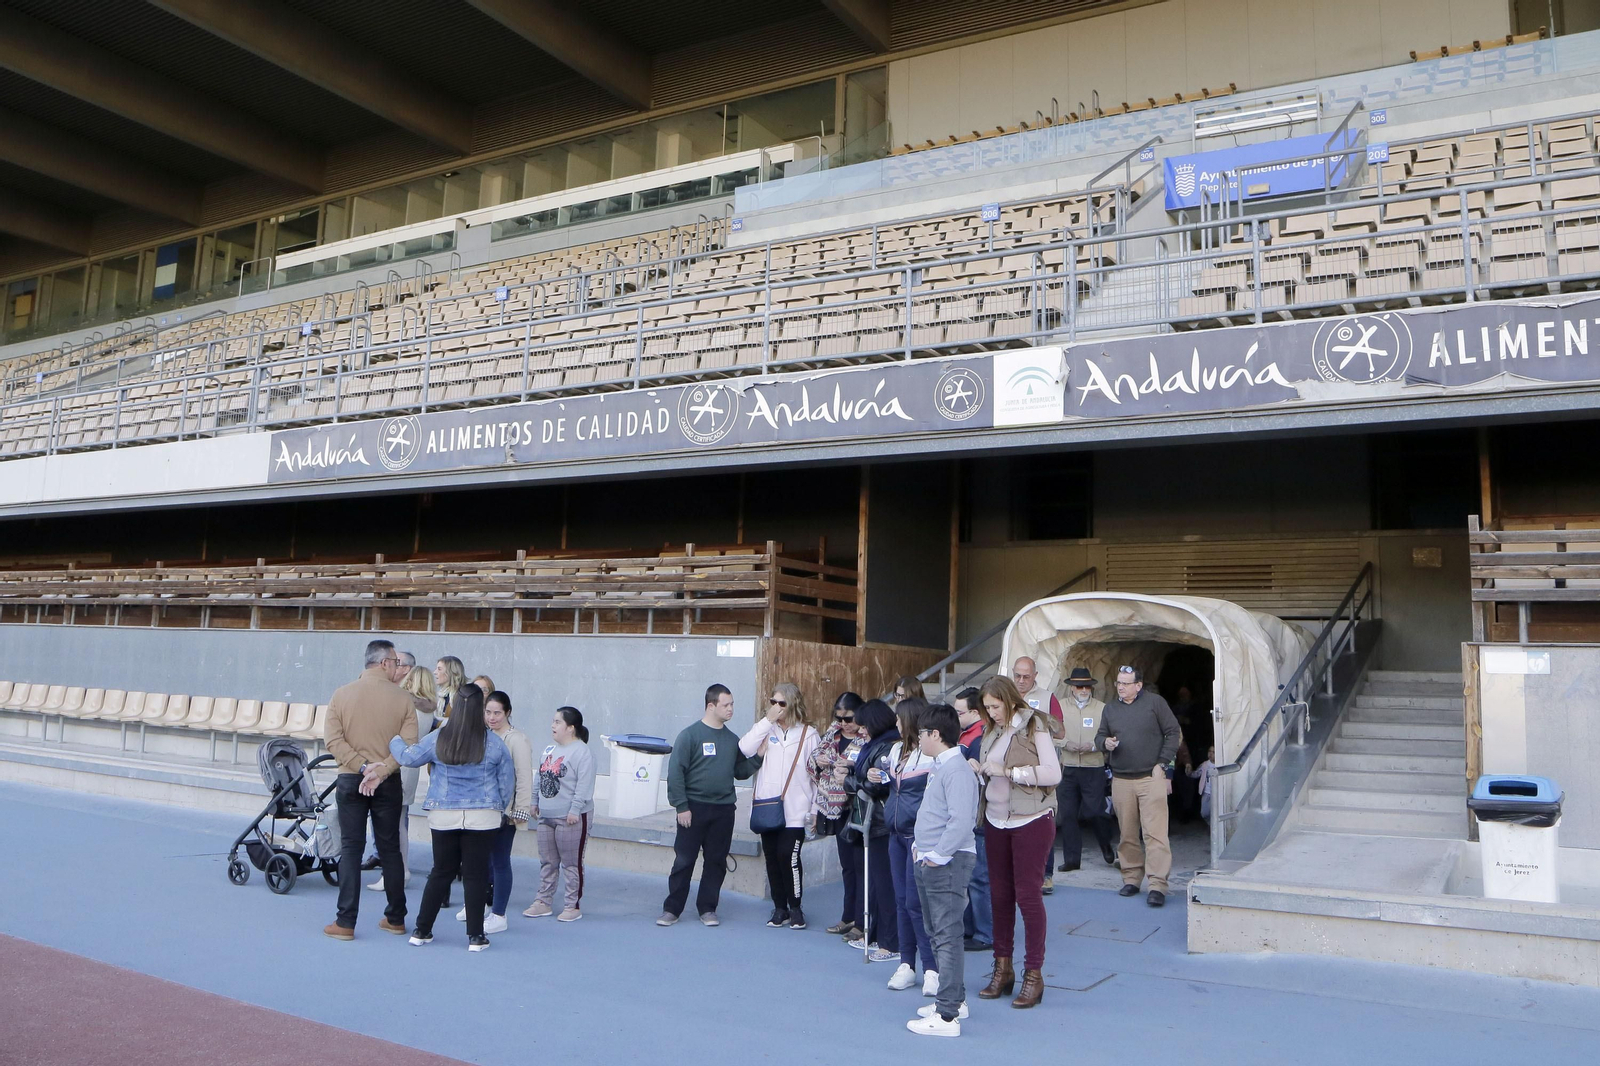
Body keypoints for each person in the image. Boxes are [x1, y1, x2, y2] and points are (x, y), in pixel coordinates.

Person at [390, 685, 515, 951]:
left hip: (443, 814)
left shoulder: (439, 738)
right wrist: (500, 808)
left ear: (455, 707)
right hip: (484, 816)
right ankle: (475, 936)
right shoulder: (494, 743)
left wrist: (394, 738)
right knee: (476, 874)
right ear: (481, 710)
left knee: (440, 872)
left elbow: (407, 758)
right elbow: (507, 783)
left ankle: (422, 930)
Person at [973, 674, 1061, 1009]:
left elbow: (1053, 774)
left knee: (1028, 895)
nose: (992, 712)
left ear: (1009, 699)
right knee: (999, 895)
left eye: (995, 705)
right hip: (996, 818)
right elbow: (992, 768)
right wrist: (979, 768)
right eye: (987, 707)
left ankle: (1034, 974)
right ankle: (1003, 968)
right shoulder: (991, 729)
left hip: (1031, 819)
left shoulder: (1034, 725)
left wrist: (1010, 773)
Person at [322, 639, 418, 942]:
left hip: (352, 777)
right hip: (387, 781)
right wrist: (381, 769)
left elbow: (333, 742)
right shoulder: (404, 699)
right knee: (389, 848)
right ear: (385, 663)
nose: (398, 668)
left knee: (351, 848)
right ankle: (395, 917)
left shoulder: (341, 694)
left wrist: (363, 767)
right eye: (396, 662)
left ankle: (345, 921)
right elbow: (410, 746)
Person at [658, 684, 762, 927]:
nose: (731, 709)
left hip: (724, 810)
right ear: (710, 706)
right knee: (684, 860)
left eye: (732, 704)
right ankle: (672, 909)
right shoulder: (690, 735)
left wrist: (758, 757)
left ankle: (707, 908)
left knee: (716, 861)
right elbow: (676, 773)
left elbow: (740, 771)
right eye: (726, 705)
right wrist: (681, 806)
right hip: (693, 808)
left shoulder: (732, 740)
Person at [906, 703, 980, 1039]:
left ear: (935, 734)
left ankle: (947, 1014)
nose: (918, 738)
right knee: (939, 930)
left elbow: (962, 821)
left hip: (947, 863)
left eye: (922, 733)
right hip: (933, 859)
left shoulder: (956, 770)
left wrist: (937, 854)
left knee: (947, 934)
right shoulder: (944, 767)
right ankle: (955, 1001)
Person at [1096, 665, 1182, 908]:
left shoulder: (1155, 703)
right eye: (1118, 683)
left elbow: (1173, 732)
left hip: (1150, 777)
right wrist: (1106, 743)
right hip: (1122, 778)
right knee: (1127, 834)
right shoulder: (1111, 708)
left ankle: (1157, 885)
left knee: (1155, 835)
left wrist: (1162, 763)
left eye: (1126, 683)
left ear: (1138, 685)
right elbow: (1099, 736)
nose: (1121, 687)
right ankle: (1132, 878)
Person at [740, 681, 820, 930]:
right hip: (768, 807)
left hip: (797, 810)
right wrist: (766, 720)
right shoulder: (766, 730)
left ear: (793, 704)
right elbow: (744, 748)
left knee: (789, 855)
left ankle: (796, 907)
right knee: (773, 859)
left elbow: (817, 776)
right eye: (773, 702)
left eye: (781, 703)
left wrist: (815, 809)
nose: (776, 707)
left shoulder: (809, 735)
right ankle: (780, 908)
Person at [462, 691, 531, 935]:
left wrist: (520, 810)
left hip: (506, 811)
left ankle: (499, 913)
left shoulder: (516, 739)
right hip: (482, 808)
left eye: (497, 713)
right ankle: (477, 905)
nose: (492, 717)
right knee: (479, 860)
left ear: (508, 713)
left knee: (500, 861)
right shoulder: (482, 735)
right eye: (488, 712)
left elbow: (523, 776)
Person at [884, 697, 939, 995]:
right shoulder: (896, 751)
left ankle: (932, 968)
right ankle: (907, 964)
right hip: (895, 834)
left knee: (917, 904)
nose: (895, 722)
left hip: (918, 837)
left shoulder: (930, 756)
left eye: (898, 718)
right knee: (901, 902)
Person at [366, 664, 437, 892]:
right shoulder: (429, 709)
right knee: (399, 822)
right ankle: (400, 869)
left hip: (399, 764)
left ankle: (395, 871)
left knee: (392, 825)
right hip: (412, 768)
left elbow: (392, 735)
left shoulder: (409, 707)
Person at [526, 706, 596, 921]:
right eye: (553, 721)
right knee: (547, 861)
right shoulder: (549, 750)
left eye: (557, 722)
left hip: (570, 817)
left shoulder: (582, 752)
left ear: (571, 728)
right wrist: (534, 801)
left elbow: (584, 785)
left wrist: (575, 810)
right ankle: (543, 901)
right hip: (547, 816)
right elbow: (540, 776)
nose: (553, 726)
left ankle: (571, 905)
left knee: (571, 863)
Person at [844, 697, 899, 962]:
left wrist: (848, 779)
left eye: (864, 725)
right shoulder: (874, 744)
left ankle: (890, 941)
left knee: (885, 883)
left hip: (881, 821)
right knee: (876, 883)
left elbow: (877, 785)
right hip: (871, 819)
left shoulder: (887, 746)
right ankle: (875, 933)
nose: (860, 730)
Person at [811, 691, 866, 937]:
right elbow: (812, 763)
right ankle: (848, 916)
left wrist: (847, 768)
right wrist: (820, 761)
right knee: (847, 866)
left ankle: (862, 922)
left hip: (859, 807)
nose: (844, 723)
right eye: (840, 718)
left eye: (849, 718)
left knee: (861, 865)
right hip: (834, 807)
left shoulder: (867, 738)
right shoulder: (831, 734)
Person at [1054, 668, 1117, 872]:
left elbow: (1111, 735)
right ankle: (1072, 860)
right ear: (1071, 687)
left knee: (1095, 811)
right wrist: (1065, 743)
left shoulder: (1102, 708)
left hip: (1093, 766)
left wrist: (1092, 745)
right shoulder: (1060, 706)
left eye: (1087, 686)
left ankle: (1105, 843)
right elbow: (1050, 732)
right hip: (1069, 766)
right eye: (1079, 686)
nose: (1083, 689)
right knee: (1068, 814)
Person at [1015, 656, 1067, 894]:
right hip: (1012, 770)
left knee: (1042, 821)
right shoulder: (1004, 696)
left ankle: (1046, 874)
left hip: (1040, 770)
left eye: (1027, 676)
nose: (1021, 681)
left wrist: (1038, 719)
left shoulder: (1047, 697)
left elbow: (1060, 731)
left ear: (1035, 675)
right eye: (1017, 675)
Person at [952, 687, 992, 953]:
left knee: (979, 878)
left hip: (979, 814)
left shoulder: (979, 738)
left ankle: (986, 933)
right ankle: (971, 928)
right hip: (972, 813)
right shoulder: (969, 735)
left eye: (959, 712)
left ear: (976, 712)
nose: (956, 717)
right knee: (972, 877)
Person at [432, 656, 467, 728]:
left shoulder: (461, 696)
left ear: (451, 672)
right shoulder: (440, 695)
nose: (435, 672)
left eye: (439, 669)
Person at [1189, 745, 1217, 823]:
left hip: (1218, 793)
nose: (1210, 754)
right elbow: (1197, 774)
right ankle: (1212, 826)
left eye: (1213, 752)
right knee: (1204, 813)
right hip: (1207, 792)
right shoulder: (1205, 764)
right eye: (1209, 751)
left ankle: (1214, 830)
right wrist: (1189, 773)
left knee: (1216, 813)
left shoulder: (1221, 764)